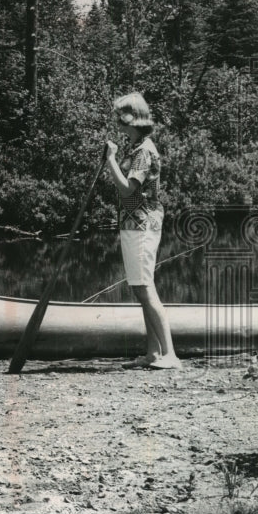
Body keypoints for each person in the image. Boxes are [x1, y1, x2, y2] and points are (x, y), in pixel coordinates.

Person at [105, 92, 181, 370]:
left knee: (144, 288)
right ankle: (153, 354)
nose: (117, 122)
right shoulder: (137, 148)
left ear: (132, 119)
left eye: (120, 117)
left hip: (142, 224)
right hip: (134, 223)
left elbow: (128, 191)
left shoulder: (144, 151)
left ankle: (170, 355)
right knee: (141, 288)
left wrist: (111, 159)